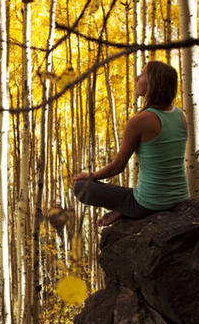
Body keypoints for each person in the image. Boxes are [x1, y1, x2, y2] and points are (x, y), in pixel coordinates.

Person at [72, 60, 190, 226]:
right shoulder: (180, 115)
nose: (136, 78)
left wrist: (90, 176)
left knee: (81, 188)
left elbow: (118, 166)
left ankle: (128, 209)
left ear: (152, 83)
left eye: (142, 74)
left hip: (149, 204)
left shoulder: (141, 120)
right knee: (133, 192)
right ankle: (124, 208)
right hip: (180, 197)